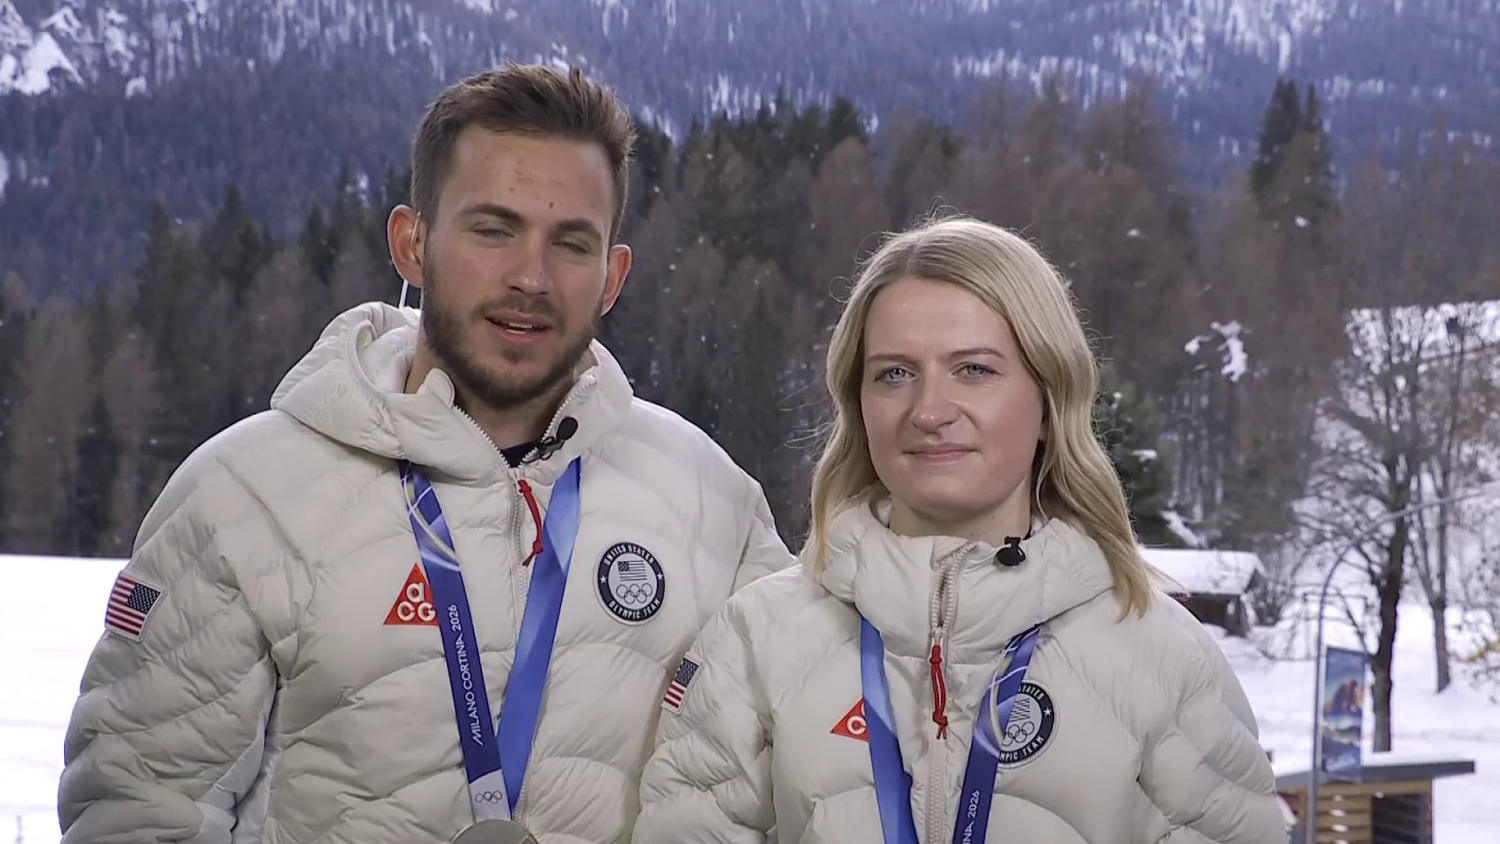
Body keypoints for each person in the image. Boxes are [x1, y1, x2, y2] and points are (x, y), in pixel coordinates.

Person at [58, 63, 792, 844]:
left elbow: (790, 789)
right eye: (493, 229)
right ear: (411, 243)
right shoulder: (243, 494)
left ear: (612, 277)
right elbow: (139, 810)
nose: (531, 278)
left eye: (571, 243)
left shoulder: (713, 502)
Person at [634, 216, 1288, 843]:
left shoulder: (1163, 656)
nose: (929, 410)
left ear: (1046, 400)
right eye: (895, 374)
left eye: (974, 369)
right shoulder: (756, 639)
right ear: (857, 403)